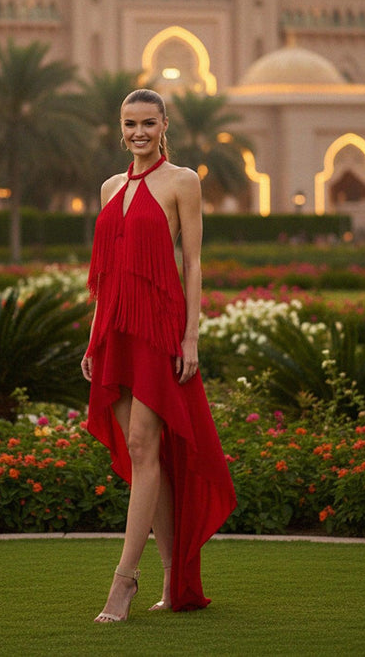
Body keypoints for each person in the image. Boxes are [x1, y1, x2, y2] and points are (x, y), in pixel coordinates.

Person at [81, 88, 236, 623]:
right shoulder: (109, 188)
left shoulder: (183, 182)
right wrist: (94, 338)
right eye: (130, 124)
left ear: (165, 124)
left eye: (149, 122)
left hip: (159, 330)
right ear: (119, 127)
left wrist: (190, 337)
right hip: (115, 334)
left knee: (146, 445)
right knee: (148, 460)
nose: (139, 132)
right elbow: (103, 274)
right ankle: (175, 578)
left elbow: (192, 263)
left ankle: (123, 582)